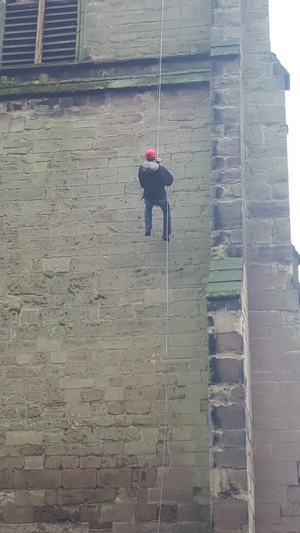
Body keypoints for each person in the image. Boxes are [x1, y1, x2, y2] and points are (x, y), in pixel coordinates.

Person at [138, 148, 173, 241]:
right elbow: (169, 181)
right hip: (160, 195)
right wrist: (160, 165)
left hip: (148, 195)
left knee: (148, 208)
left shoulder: (141, 169)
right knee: (166, 211)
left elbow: (142, 184)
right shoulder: (160, 169)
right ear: (155, 157)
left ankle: (148, 228)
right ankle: (166, 233)